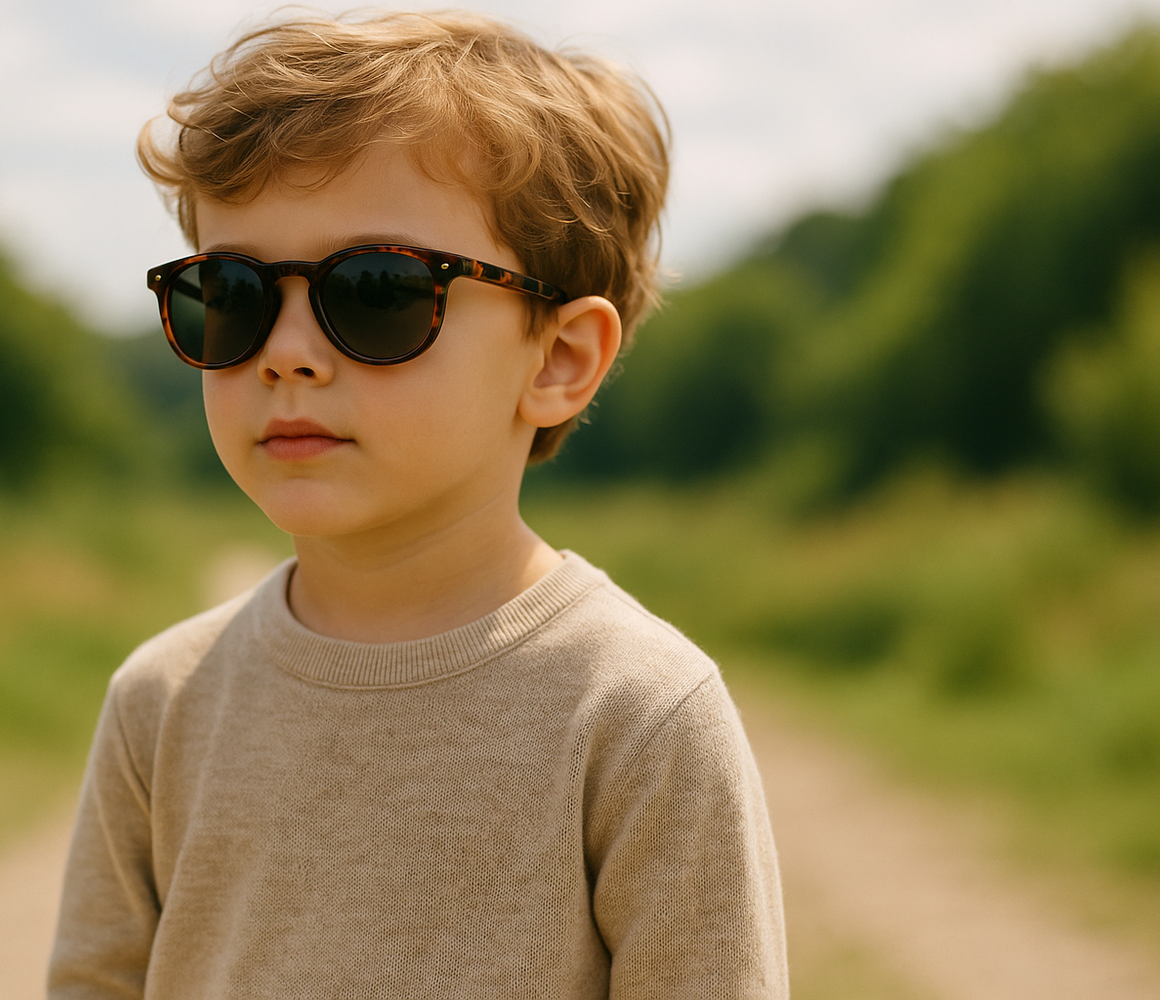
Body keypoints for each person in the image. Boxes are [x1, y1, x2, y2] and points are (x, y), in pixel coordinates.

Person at [48, 10, 787, 999]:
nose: (288, 351)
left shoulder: (637, 715)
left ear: (559, 360)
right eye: (233, 292)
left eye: (377, 290)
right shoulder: (164, 700)